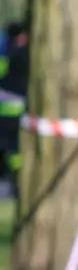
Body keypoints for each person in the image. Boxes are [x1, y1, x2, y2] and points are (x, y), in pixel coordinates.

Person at [0, 22, 28, 198]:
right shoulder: (25, 54)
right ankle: (18, 179)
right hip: (18, 110)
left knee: (11, 149)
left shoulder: (6, 53)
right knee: (15, 149)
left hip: (5, 110)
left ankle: (15, 178)